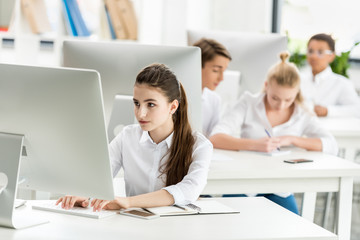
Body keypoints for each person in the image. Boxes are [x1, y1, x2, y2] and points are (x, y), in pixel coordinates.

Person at [56, 63, 213, 211]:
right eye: (137, 103)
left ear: (173, 106)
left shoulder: (199, 145)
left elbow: (189, 189)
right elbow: (100, 174)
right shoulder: (127, 136)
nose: (140, 113)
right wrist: (84, 192)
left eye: (150, 104)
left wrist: (128, 202)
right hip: (133, 224)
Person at [209, 52, 338, 214]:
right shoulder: (248, 102)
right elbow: (215, 138)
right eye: (275, 98)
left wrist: (292, 139)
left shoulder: (302, 112)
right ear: (266, 86)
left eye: (288, 100)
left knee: (294, 229)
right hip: (245, 183)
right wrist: (255, 145)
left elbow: (331, 144)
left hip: (280, 186)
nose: (281, 106)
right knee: (232, 226)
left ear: (297, 93)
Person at [301, 33, 360, 118]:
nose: (313, 56)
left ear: (331, 56)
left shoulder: (342, 83)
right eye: (310, 51)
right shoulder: (298, 79)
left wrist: (327, 111)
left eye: (320, 52)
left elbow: (356, 110)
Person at [193, 38, 232, 137]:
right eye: (215, 70)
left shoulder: (214, 100)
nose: (221, 78)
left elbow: (213, 138)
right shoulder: (171, 97)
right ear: (196, 65)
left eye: (224, 71)